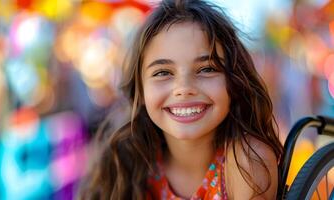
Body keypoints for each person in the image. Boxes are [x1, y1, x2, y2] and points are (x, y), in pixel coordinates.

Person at [79, 0, 284, 199]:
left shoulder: (247, 162)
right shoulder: (126, 161)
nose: (184, 89)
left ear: (234, 81)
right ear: (140, 90)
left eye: (206, 69)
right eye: (163, 72)